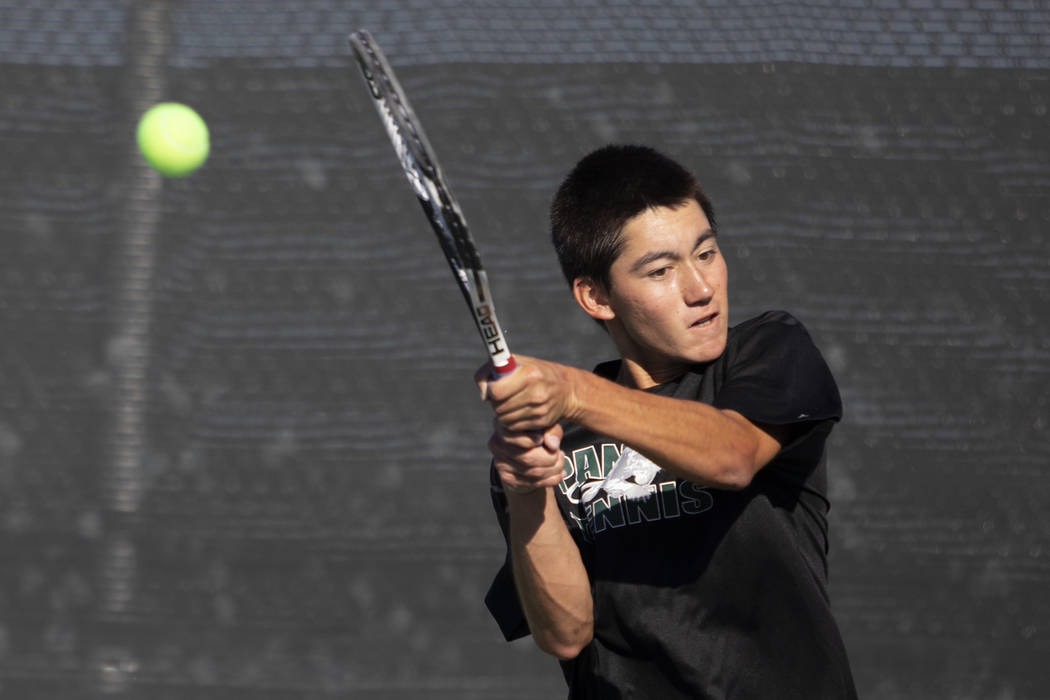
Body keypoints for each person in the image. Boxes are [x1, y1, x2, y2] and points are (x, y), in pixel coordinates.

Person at [476, 145, 857, 699]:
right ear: (597, 296)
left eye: (706, 253)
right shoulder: (549, 443)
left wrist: (574, 391)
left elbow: (731, 457)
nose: (701, 289)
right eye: (660, 270)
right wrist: (527, 490)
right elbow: (565, 633)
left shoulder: (769, 353)